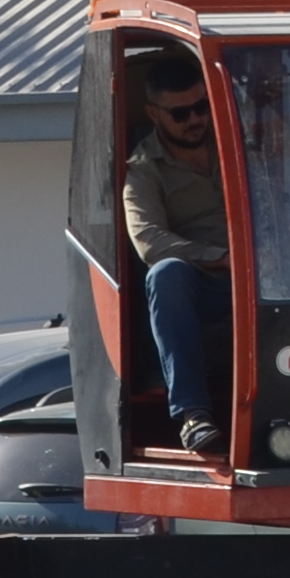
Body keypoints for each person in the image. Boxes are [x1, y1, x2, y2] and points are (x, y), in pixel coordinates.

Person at [121, 45, 235, 456]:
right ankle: (193, 413)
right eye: (181, 113)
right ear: (153, 114)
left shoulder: (240, 143)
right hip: (208, 284)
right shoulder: (143, 172)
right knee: (165, 274)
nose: (195, 119)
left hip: (269, 272)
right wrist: (220, 257)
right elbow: (149, 241)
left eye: (202, 107)